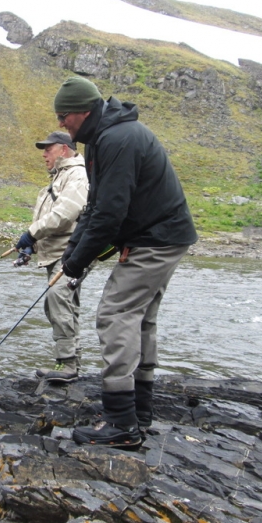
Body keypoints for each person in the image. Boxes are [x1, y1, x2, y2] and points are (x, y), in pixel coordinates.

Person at [53, 76, 197, 448]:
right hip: (160, 236)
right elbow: (97, 205)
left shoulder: (117, 139)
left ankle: (121, 424)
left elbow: (110, 214)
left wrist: (76, 264)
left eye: (63, 115)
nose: (60, 124)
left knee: (115, 314)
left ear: (83, 111)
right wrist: (72, 253)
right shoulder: (105, 136)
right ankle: (140, 414)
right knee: (141, 317)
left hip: (157, 239)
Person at [14, 131, 89, 382]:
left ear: (64, 150)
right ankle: (72, 361)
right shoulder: (57, 179)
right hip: (56, 252)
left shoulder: (77, 175)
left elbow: (64, 215)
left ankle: (66, 364)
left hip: (72, 252)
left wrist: (30, 234)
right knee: (64, 304)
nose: (44, 154)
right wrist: (30, 247)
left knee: (57, 300)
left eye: (48, 149)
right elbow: (51, 219)